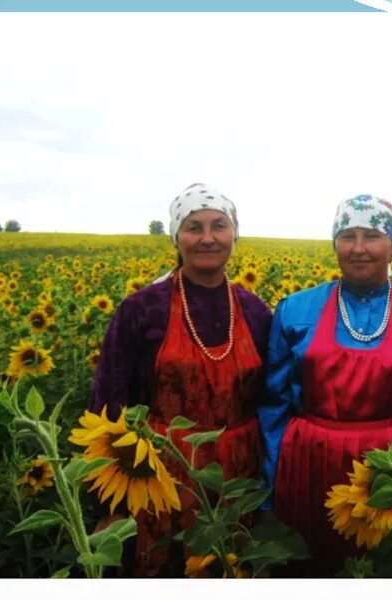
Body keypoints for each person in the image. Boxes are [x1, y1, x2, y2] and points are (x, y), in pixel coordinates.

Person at [258, 194, 392, 576]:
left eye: (373, 236)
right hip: (310, 465)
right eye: (348, 236)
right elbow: (273, 408)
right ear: (334, 245)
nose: (359, 248)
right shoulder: (295, 310)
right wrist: (268, 493)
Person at [90, 183, 272, 576]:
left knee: (232, 564)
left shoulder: (256, 310)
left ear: (234, 233)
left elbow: (271, 401)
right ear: (177, 236)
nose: (208, 238)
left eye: (219, 225)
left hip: (238, 477)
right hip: (159, 474)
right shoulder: (142, 309)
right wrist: (106, 506)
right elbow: (108, 402)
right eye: (194, 227)